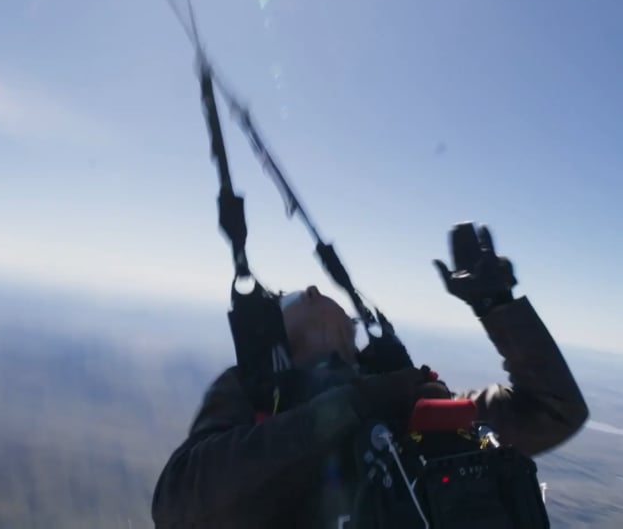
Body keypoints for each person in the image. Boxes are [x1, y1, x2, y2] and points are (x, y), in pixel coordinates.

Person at [151, 222, 589, 528]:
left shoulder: (412, 402)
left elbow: (553, 411)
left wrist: (498, 307)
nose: (314, 290)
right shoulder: (257, 392)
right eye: (295, 298)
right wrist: (355, 405)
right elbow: (177, 505)